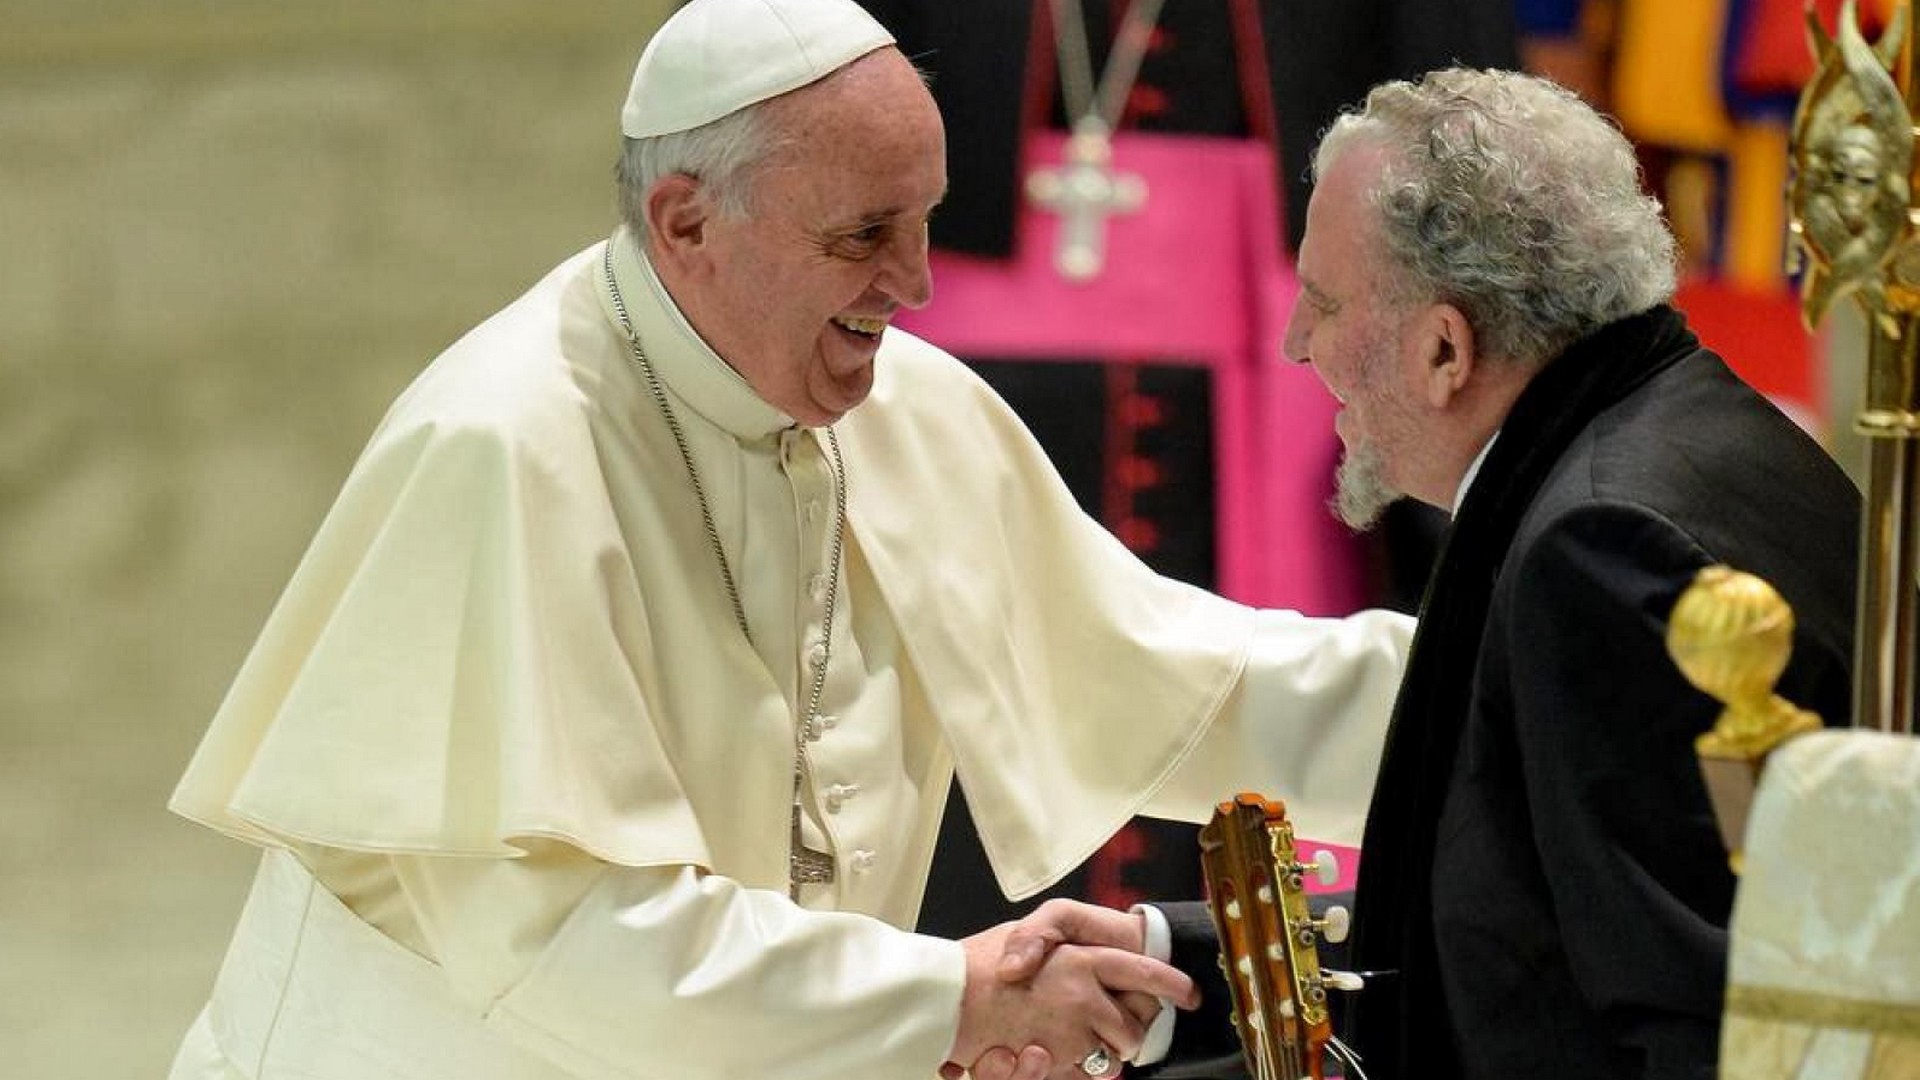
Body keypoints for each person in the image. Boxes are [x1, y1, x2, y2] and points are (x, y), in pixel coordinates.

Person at [163, 2, 1417, 1079]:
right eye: (863, 236)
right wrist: (953, 996)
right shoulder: (503, 448)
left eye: (926, 220)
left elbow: (1186, 688)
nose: (918, 284)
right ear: (686, 224)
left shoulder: (907, 410)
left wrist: (1503, 677)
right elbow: (567, 938)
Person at [996, 68, 1861, 1080]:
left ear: (1445, 348)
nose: (1294, 341)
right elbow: (1531, 920)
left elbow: (1698, 1028)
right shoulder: (1665, 439)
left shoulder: (1606, 553)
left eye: (1322, 302)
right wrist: (1180, 963)